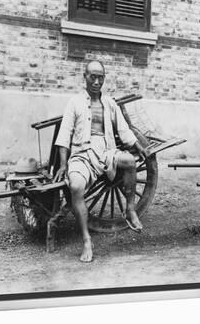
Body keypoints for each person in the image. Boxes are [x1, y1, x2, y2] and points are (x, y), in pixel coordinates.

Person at [52, 60, 149, 262]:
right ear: (85, 77)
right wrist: (62, 164)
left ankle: (130, 209)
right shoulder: (75, 102)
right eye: (92, 77)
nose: (96, 81)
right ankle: (87, 239)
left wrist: (138, 146)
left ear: (104, 79)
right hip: (82, 153)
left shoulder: (110, 103)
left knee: (130, 161)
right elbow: (64, 134)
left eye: (100, 77)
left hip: (106, 151)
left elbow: (123, 129)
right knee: (76, 186)